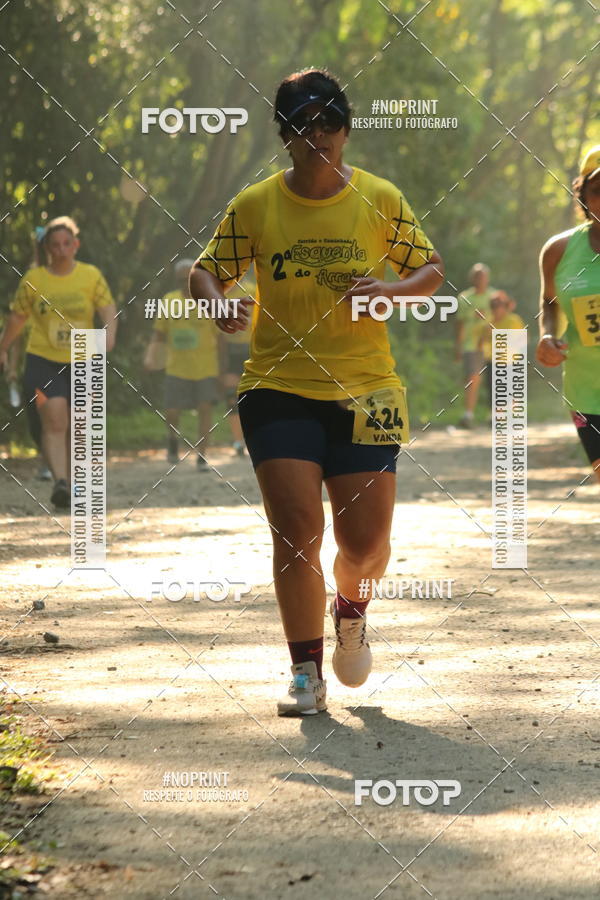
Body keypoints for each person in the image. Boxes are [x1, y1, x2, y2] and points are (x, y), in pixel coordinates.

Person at [190, 68, 444, 715]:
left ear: (347, 130)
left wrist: (391, 292)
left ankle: (351, 606)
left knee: (363, 543)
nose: (318, 136)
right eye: (303, 126)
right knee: (297, 530)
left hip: (368, 389)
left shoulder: (380, 199)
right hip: (278, 387)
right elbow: (205, 272)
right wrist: (219, 302)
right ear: (286, 137)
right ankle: (305, 669)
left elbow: (432, 270)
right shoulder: (256, 206)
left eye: (329, 123)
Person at [0, 216, 117, 508]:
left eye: (67, 244)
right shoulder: (34, 280)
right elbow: (17, 317)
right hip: (43, 357)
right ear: (48, 248)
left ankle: (77, 482)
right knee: (54, 419)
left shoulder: (91, 276)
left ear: (76, 245)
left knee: (79, 423)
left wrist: (107, 339)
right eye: (55, 245)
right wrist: (3, 347)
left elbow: (108, 310)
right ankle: (61, 484)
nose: (62, 249)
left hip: (84, 356)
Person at [536, 145, 600, 484]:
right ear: (583, 196)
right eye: (598, 189)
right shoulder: (559, 251)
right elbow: (550, 301)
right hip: (586, 388)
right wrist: (548, 335)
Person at [145, 259, 221, 469]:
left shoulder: (209, 301)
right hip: (176, 367)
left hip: (206, 367)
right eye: (180, 280)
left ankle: (202, 455)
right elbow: (159, 335)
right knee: (172, 411)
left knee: (205, 409)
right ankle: (172, 440)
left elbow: (221, 337)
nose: (184, 283)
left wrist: (222, 370)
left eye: (187, 279)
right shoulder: (169, 301)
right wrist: (151, 357)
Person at [455, 262, 496, 428]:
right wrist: (457, 346)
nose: (481, 279)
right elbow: (460, 323)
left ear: (488, 278)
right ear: (472, 278)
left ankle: (494, 415)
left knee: (495, 379)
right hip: (471, 344)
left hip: (493, 343)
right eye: (477, 276)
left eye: (483, 276)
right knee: (472, 378)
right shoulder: (465, 298)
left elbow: (505, 315)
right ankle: (468, 415)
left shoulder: (495, 296)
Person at [475, 291, 525, 408]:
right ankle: (496, 415)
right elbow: (479, 345)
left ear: (505, 306)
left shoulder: (513, 320)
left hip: (511, 362)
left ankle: (511, 415)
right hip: (492, 361)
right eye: (493, 306)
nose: (496, 309)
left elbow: (524, 339)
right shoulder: (488, 323)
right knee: (493, 390)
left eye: (499, 305)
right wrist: (486, 334)